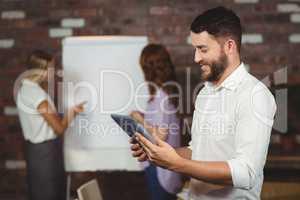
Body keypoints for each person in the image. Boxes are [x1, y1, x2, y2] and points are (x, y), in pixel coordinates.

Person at [130, 6, 277, 200]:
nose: (196, 58)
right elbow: (197, 150)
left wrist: (176, 164)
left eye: (203, 49)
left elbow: (246, 172)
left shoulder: (254, 95)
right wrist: (161, 154)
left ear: (229, 46)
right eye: (195, 49)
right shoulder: (206, 93)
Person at [16, 50, 85, 200]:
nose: (54, 73)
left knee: (44, 193)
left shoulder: (26, 89)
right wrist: (72, 113)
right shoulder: (37, 95)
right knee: (49, 194)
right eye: (51, 69)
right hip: (45, 154)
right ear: (41, 70)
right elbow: (59, 128)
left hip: (38, 152)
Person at [130, 44, 182, 200]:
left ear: (148, 69)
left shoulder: (162, 97)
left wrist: (140, 119)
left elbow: (161, 135)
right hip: (157, 166)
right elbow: (161, 123)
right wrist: (144, 116)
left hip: (160, 169)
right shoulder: (163, 94)